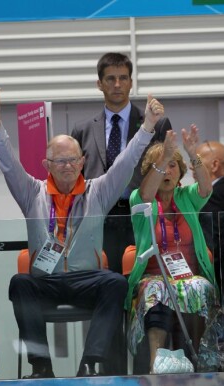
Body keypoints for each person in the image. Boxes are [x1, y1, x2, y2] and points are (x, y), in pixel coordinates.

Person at [0, 88, 164, 378]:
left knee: (115, 282)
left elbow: (126, 162)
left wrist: (148, 126)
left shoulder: (98, 191)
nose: (68, 167)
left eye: (73, 160)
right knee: (19, 283)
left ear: (82, 161)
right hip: (46, 281)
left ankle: (90, 363)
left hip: (85, 281)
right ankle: (41, 366)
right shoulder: (31, 192)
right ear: (47, 165)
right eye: (60, 161)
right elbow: (8, 164)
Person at [125, 125, 218, 372]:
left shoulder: (187, 196)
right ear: (150, 172)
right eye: (160, 166)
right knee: (157, 289)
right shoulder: (139, 197)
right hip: (153, 276)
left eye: (172, 165)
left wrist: (191, 152)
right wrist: (165, 155)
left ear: (181, 172)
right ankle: (158, 364)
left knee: (200, 287)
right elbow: (146, 193)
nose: (167, 170)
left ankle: (198, 359)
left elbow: (207, 189)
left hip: (188, 277)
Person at [71, 52, 172, 274]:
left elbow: (169, 173)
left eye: (123, 78)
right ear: (99, 84)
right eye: (110, 79)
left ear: (131, 83)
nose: (117, 85)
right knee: (105, 279)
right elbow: (75, 179)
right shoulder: (83, 129)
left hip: (142, 212)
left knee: (142, 279)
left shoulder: (157, 124)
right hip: (99, 217)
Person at [195, 140, 224, 292]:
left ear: (214, 165)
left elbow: (211, 244)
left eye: (197, 160)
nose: (191, 166)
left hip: (217, 278)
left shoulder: (212, 197)